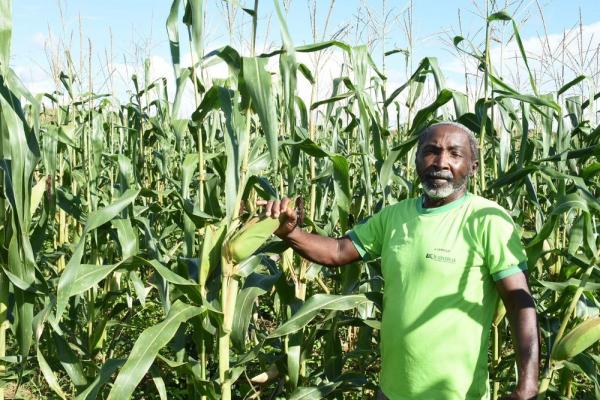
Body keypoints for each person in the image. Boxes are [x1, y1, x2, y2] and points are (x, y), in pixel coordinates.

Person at [260, 122, 539, 400]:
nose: (440, 162)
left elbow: (519, 302)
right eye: (431, 151)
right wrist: (291, 233)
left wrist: (527, 385)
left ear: (474, 167)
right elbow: (338, 250)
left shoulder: (488, 220)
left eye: (455, 154)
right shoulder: (393, 216)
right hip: (392, 390)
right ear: (416, 159)